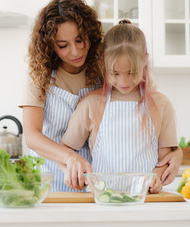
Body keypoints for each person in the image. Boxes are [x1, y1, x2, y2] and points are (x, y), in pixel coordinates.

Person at [20, 0, 182, 192]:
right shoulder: (40, 76)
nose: (75, 50)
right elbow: (32, 136)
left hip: (94, 184)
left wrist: (177, 152)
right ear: (50, 45)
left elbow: (151, 116)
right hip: (49, 177)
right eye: (63, 45)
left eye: (80, 40)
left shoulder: (108, 70)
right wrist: (70, 157)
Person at [60, 20, 181, 193]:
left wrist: (156, 176)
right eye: (115, 73)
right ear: (103, 63)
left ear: (145, 61)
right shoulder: (91, 104)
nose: (124, 81)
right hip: (100, 201)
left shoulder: (161, 105)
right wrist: (75, 170)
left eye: (132, 72)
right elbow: (66, 149)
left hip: (145, 201)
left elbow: (165, 160)